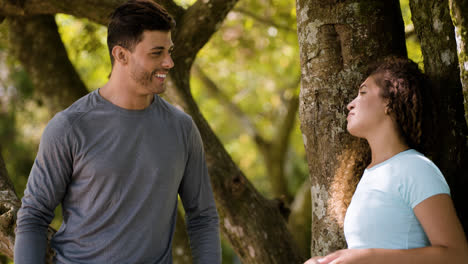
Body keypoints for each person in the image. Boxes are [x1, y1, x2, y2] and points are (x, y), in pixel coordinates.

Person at [14, 1, 221, 263]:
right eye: (157, 53)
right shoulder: (70, 127)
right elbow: (33, 215)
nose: (169, 62)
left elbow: (203, 217)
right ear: (121, 55)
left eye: (169, 51)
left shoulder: (182, 128)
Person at [305, 56, 468, 264]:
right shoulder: (368, 175)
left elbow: (457, 256)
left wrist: (368, 257)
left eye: (362, 93)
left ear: (389, 102)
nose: (349, 105)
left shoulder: (416, 169)